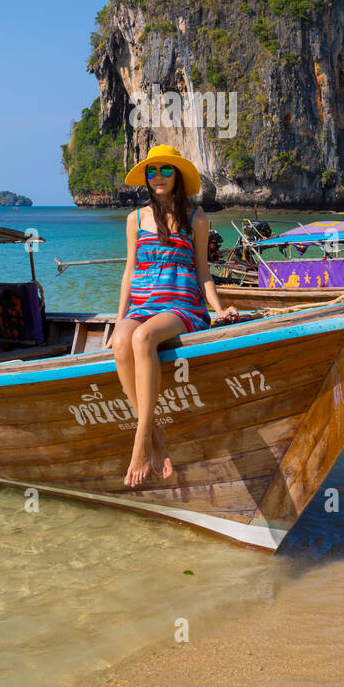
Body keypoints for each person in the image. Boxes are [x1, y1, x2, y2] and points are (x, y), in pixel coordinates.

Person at [111, 145, 237, 488]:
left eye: (166, 170)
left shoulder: (196, 219)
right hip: (141, 304)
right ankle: (158, 438)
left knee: (143, 338)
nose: (158, 177)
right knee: (122, 340)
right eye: (152, 172)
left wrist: (219, 309)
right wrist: (118, 318)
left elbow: (203, 272)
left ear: (178, 176)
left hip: (181, 305)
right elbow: (128, 271)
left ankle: (142, 443)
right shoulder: (135, 219)